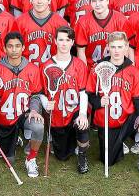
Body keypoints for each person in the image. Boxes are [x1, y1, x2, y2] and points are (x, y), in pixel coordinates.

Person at [89, 32, 139, 178]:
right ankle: (120, 142)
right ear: (108, 47)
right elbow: (89, 95)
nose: (117, 50)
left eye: (120, 46)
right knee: (108, 161)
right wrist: (99, 102)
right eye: (113, 47)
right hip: (107, 121)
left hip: (128, 118)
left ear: (126, 47)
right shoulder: (98, 68)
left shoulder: (133, 71)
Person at [0, 32, 46, 177]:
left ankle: (31, 158)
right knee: (9, 160)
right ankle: (10, 140)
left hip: (24, 114)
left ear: (23, 47)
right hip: (5, 118)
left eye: (18, 46)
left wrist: (34, 110)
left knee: (38, 125)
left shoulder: (32, 69)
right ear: (5, 49)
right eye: (10, 46)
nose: (14, 50)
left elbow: (36, 94)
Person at [42, 26, 91, 174]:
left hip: (74, 110)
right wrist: (46, 103)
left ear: (72, 43)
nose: (64, 44)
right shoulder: (46, 65)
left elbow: (83, 92)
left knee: (82, 125)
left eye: (67, 40)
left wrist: (82, 113)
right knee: (62, 156)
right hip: (57, 115)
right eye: (61, 40)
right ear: (55, 41)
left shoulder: (79, 65)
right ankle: (70, 143)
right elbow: (41, 93)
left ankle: (82, 156)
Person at [15, 0, 69, 65]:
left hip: (53, 71)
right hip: (26, 72)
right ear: (31, 0)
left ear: (49, 0)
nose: (39, 1)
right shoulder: (19, 23)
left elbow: (65, 54)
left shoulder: (61, 23)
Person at [75, 0, 128, 68]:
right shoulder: (82, 22)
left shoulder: (121, 20)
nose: (97, 4)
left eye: (100, 0)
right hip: (92, 69)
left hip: (115, 69)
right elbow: (81, 52)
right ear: (90, 3)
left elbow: (126, 49)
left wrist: (121, 71)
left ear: (107, 1)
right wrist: (85, 74)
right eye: (94, 1)